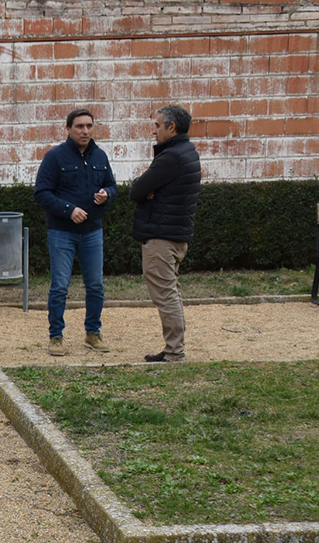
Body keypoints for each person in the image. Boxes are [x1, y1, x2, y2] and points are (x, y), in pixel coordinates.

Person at [33, 108, 117, 356]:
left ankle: (92, 333)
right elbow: (41, 193)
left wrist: (107, 195)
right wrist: (69, 210)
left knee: (96, 285)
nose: (85, 131)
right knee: (59, 286)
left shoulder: (100, 156)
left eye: (89, 126)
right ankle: (56, 336)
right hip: (62, 232)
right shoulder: (55, 157)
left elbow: (112, 185)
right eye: (80, 126)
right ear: (68, 128)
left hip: (92, 232)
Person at [129, 104, 201, 363]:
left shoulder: (171, 157)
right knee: (171, 292)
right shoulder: (186, 151)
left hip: (162, 237)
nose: (154, 131)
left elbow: (136, 190)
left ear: (171, 127)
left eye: (158, 126)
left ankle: (174, 352)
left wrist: (146, 191)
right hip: (174, 235)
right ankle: (173, 349)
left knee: (166, 295)